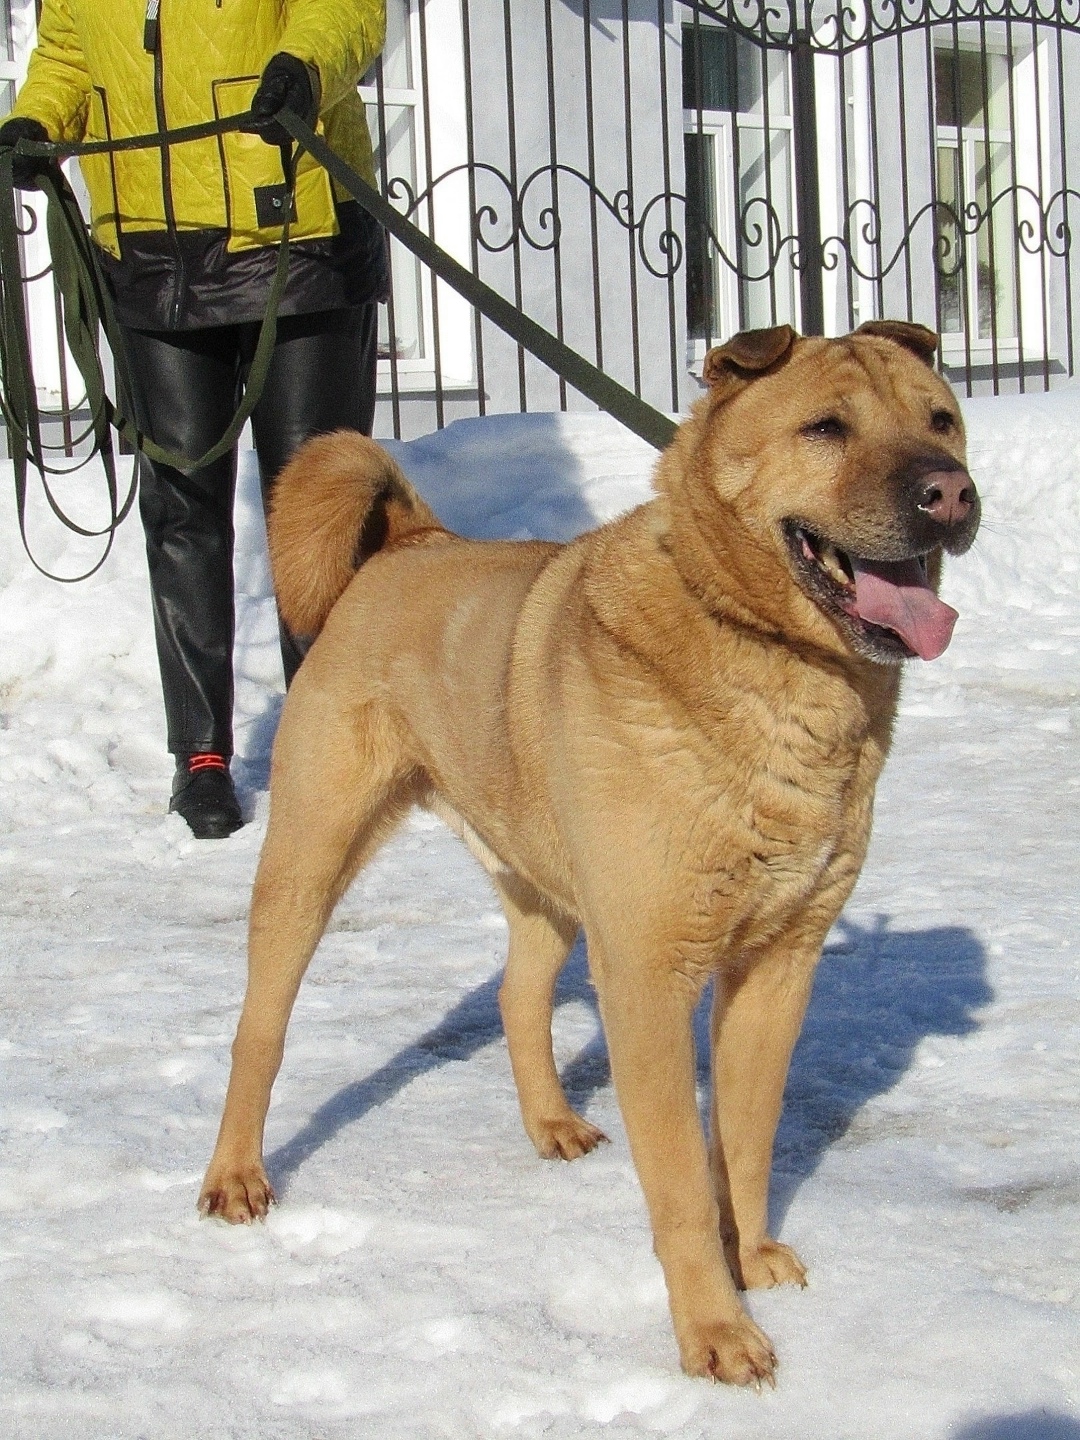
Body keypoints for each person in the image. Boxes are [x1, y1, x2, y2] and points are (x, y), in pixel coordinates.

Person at [0, 0, 389, 839]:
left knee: (317, 505)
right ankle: (201, 753)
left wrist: (302, 70)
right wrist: (38, 118)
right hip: (146, 246)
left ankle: (334, 741)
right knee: (181, 504)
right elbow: (68, 49)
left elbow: (345, 9)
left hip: (299, 229)